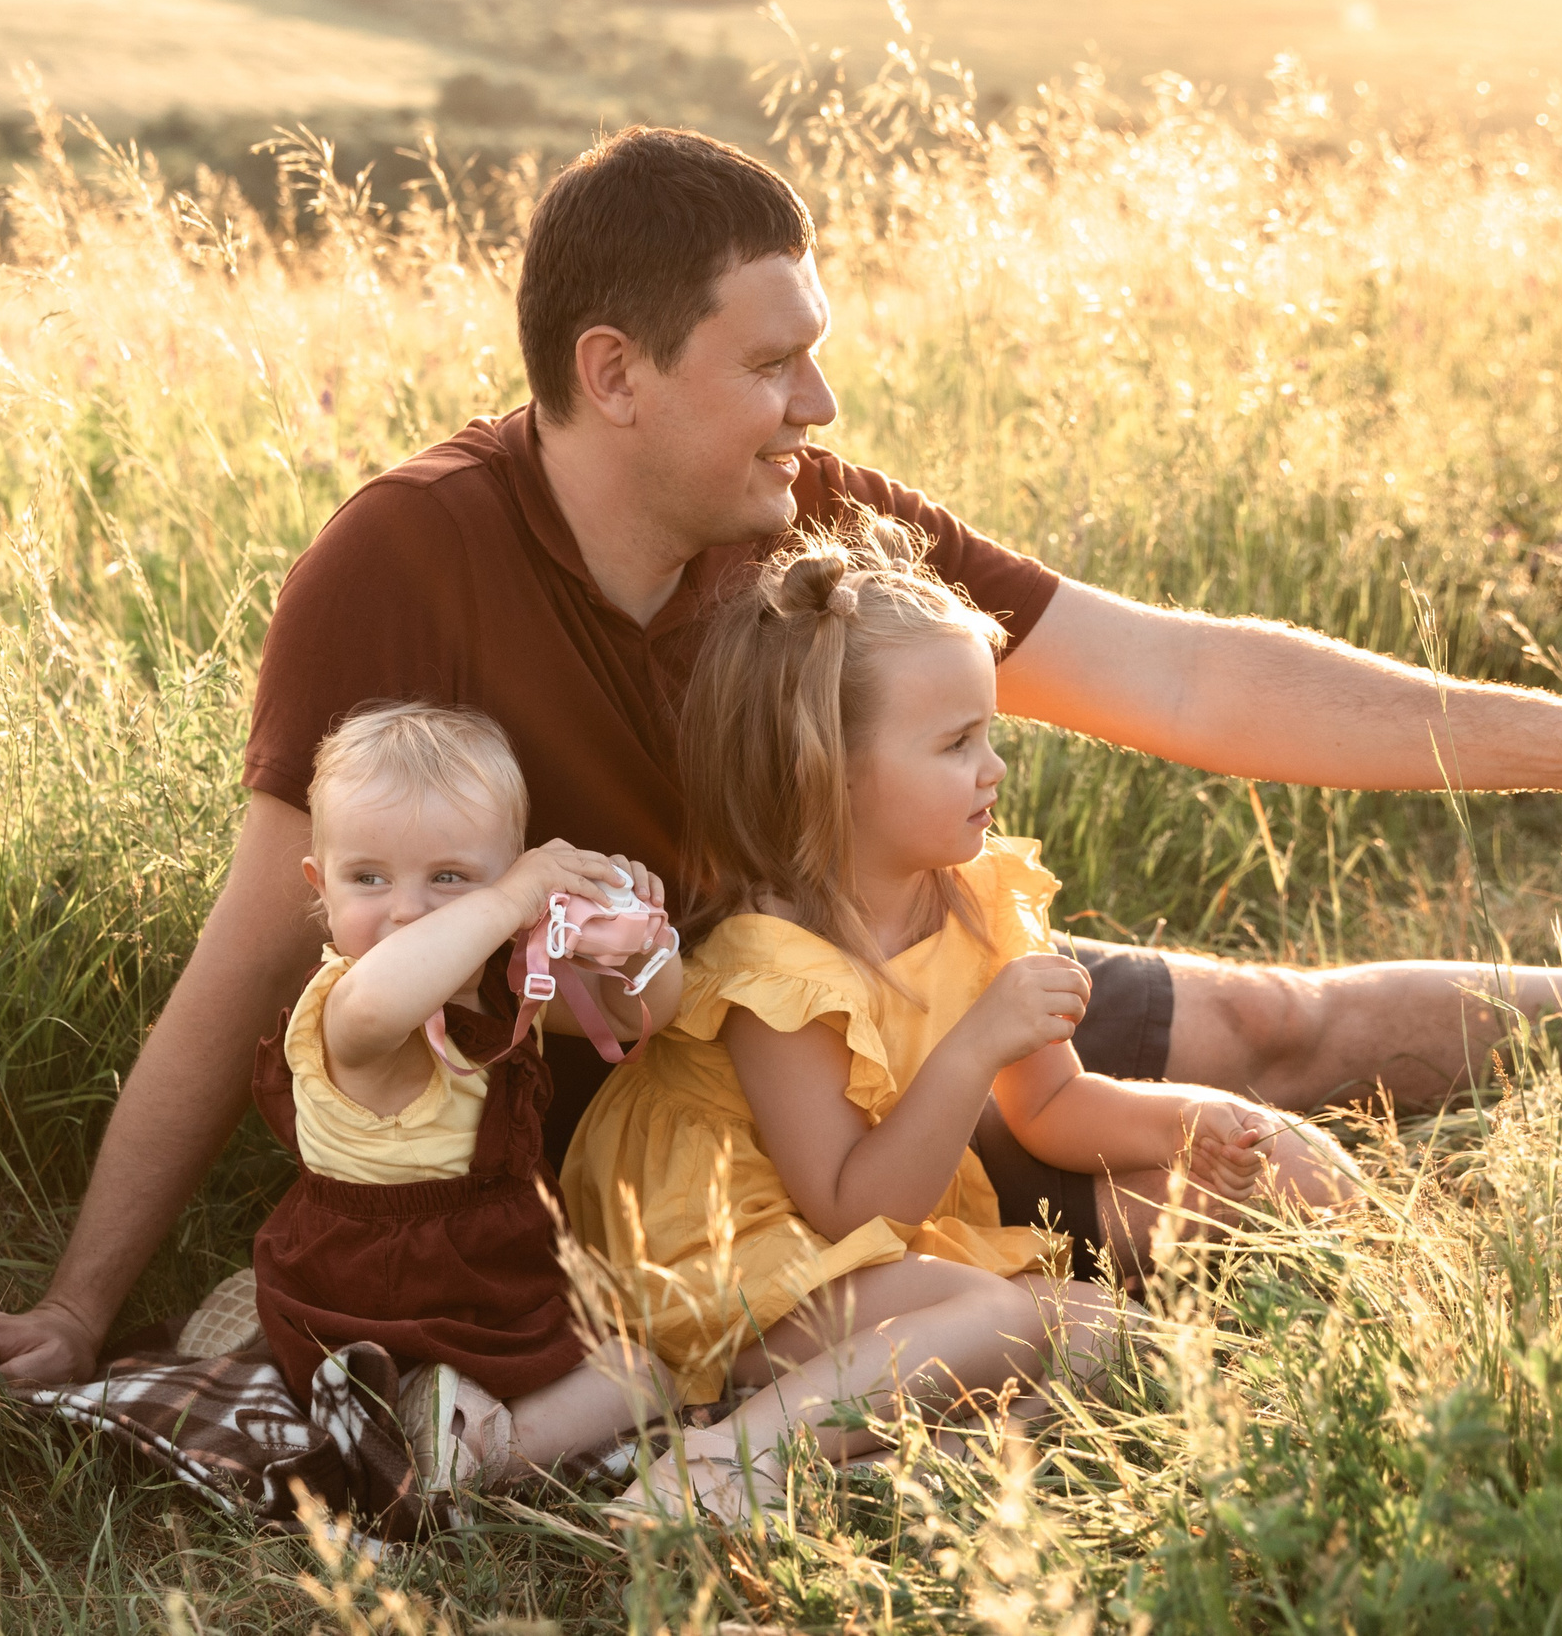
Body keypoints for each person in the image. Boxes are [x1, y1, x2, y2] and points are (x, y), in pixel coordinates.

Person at [0, 125, 1562, 1384]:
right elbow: (248, 957)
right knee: (1148, 1232)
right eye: (772, 365)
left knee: (1273, 1028)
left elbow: (1188, 677)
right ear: (614, 374)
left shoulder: (810, 515)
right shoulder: (403, 558)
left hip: (889, 1018)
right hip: (689, 1152)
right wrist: (78, 1299)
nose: (817, 406)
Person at [561, 523, 1356, 1516]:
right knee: (999, 1319)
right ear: (828, 774)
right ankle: (724, 1462)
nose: (993, 770)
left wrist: (1189, 1130)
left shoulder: (976, 896)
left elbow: (1053, 1107)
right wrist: (978, 1041)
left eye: (990, 734)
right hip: (731, 1261)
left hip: (863, 1261)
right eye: (954, 744)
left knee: (1107, 1327)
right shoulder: (774, 972)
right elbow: (853, 1204)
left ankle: (903, 1473)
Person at [252, 700, 684, 1489]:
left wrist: (643, 937)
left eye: (448, 877)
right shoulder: (349, 1000)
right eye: (368, 878)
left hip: (488, 1283)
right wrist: (504, 900)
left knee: (651, 1369)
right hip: (369, 1291)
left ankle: (443, 1419)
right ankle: (475, 1453)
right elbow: (389, 1002)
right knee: (636, 1381)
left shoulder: (497, 989)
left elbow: (635, 1017)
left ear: (508, 865)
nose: (409, 908)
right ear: (320, 883)